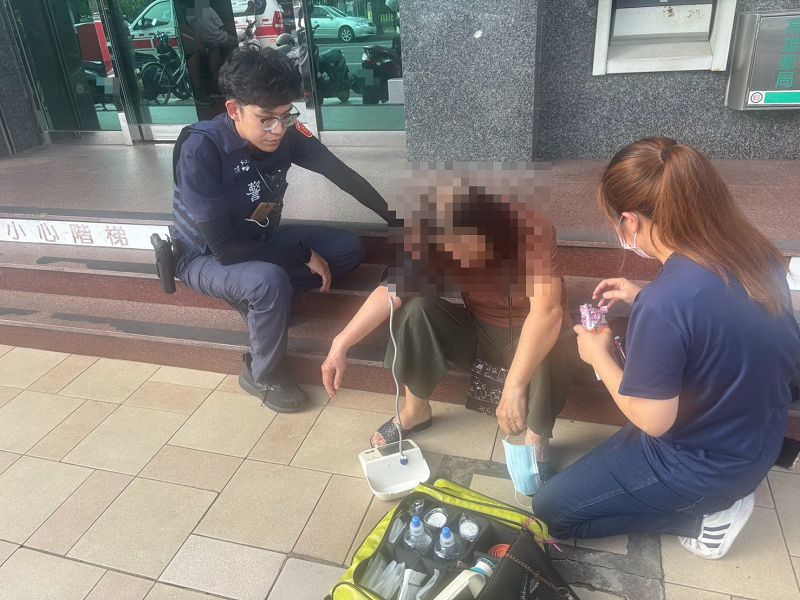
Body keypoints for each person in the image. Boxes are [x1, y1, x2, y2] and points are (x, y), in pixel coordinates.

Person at [533, 137, 800, 560]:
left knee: (552, 512)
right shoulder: (756, 253)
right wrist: (643, 297)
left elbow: (653, 421)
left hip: (702, 464)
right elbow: (720, 317)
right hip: (755, 437)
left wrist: (598, 355)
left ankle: (705, 518)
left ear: (630, 220)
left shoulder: (667, 303)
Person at [170, 47, 393, 412]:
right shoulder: (202, 148)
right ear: (234, 110)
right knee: (268, 281)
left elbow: (339, 173)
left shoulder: (285, 132)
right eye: (266, 119)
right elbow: (225, 249)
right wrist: (302, 254)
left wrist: (396, 220)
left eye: (286, 116)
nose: (277, 129)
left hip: (260, 240)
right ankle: (261, 373)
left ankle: (261, 300)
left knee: (348, 248)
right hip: (204, 256)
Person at [321, 175, 572, 470]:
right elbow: (392, 292)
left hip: (529, 331)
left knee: (553, 332)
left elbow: (546, 312)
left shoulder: (532, 231)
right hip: (479, 330)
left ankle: (536, 439)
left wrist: (514, 386)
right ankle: (415, 411)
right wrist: (341, 342)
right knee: (416, 308)